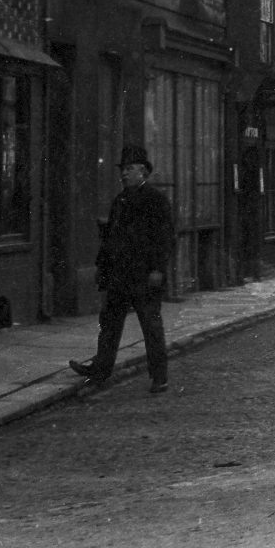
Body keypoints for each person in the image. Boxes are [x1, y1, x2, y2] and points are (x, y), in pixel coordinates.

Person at [71, 145, 174, 395]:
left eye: (129, 169)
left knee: (150, 326)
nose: (124, 174)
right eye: (123, 169)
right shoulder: (120, 200)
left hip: (145, 276)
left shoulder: (156, 200)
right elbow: (111, 239)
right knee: (109, 324)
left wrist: (158, 269)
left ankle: (159, 377)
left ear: (143, 172)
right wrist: (101, 267)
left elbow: (165, 238)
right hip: (120, 275)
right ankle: (100, 372)